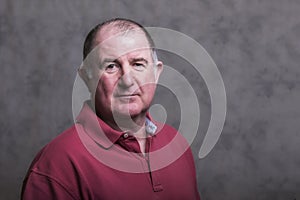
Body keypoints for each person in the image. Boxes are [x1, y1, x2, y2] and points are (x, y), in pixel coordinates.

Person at [21, 18, 200, 200]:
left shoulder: (177, 144)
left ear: (156, 72)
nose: (127, 80)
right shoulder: (57, 165)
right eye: (111, 66)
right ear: (86, 77)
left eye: (138, 64)